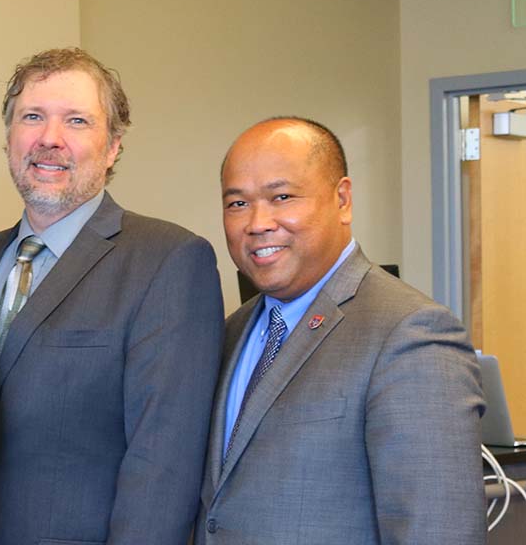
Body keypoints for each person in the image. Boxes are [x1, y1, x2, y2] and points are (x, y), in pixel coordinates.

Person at [0, 47, 224, 544]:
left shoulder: (168, 260)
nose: (49, 139)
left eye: (76, 121)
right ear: (9, 136)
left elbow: (163, 464)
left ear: (113, 146)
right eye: (32, 117)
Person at [196, 117, 485, 544]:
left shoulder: (410, 333)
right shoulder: (230, 332)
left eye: (282, 196)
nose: (257, 223)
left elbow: (438, 531)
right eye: (237, 203)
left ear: (343, 199)